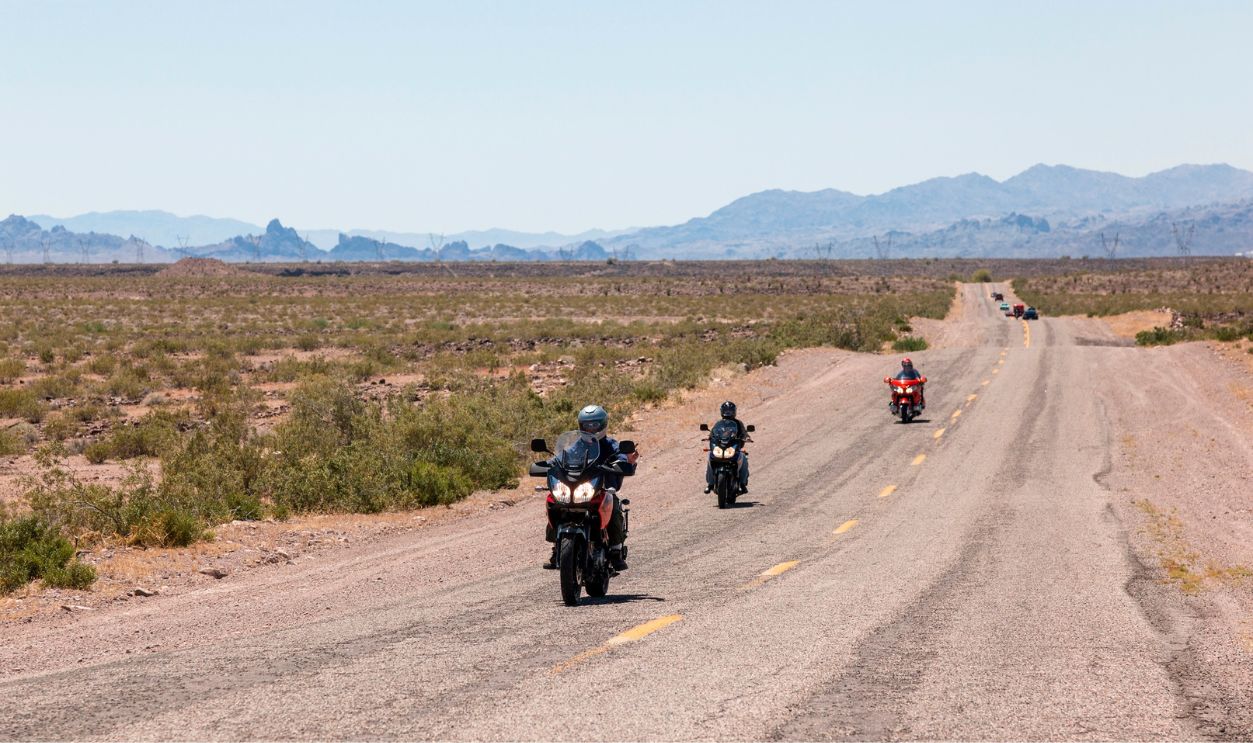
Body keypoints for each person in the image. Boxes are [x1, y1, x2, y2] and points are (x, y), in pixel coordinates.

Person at [542, 405, 639, 572]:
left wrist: (623, 462)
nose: (591, 428)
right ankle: (557, 547)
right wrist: (547, 464)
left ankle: (615, 549)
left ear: (603, 425)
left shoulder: (610, 445)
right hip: (577, 488)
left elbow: (621, 455)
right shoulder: (577, 445)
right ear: (581, 425)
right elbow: (560, 457)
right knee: (554, 503)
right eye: (587, 425)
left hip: (601, 489)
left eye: (595, 424)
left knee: (614, 508)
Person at [704, 400, 749, 495]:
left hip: (733, 448)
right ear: (721, 411)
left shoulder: (738, 423)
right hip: (721, 447)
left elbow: (744, 433)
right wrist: (709, 437)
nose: (728, 412)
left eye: (730, 410)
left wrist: (746, 437)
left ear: (734, 411)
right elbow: (713, 433)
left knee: (744, 458)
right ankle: (710, 484)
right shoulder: (719, 423)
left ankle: (742, 484)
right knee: (709, 457)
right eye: (725, 410)